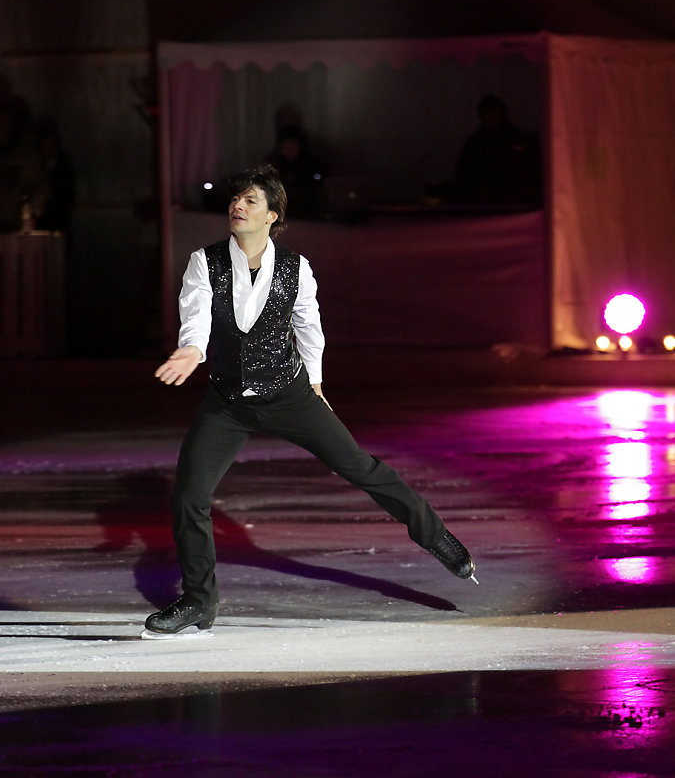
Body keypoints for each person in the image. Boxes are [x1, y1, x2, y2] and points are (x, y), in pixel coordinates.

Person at [144, 164, 477, 636]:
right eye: (235, 199)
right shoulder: (206, 261)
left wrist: (316, 382)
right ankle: (199, 601)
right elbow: (195, 316)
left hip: (289, 393)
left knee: (360, 466)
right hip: (228, 400)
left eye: (250, 201)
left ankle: (437, 537)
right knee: (189, 496)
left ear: (272, 215)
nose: (237, 206)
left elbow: (308, 325)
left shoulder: (296, 267)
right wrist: (192, 350)